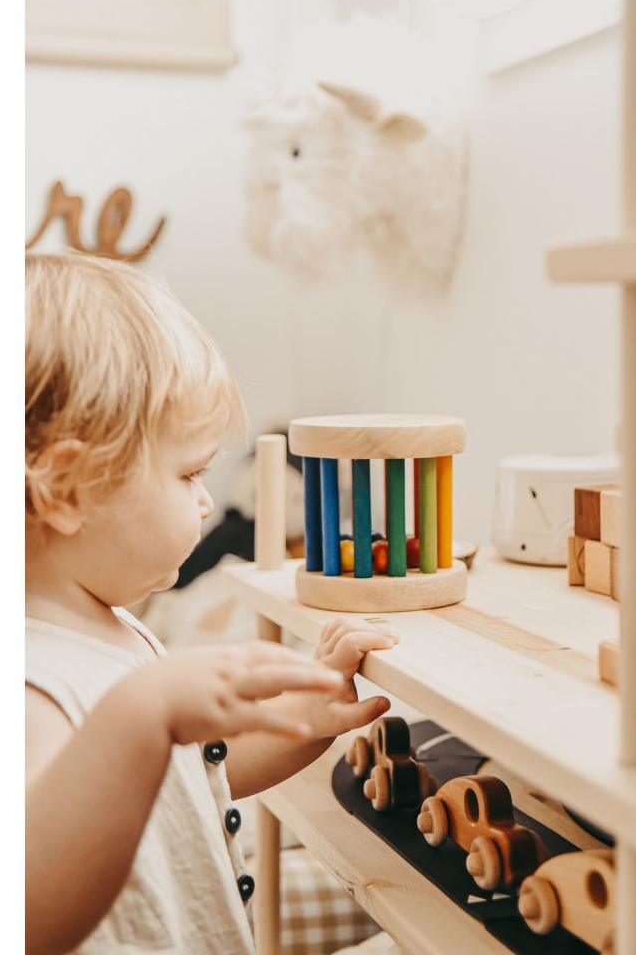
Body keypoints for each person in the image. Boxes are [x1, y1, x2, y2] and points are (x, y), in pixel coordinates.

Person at [25, 253, 397, 954]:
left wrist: (301, 721)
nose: (205, 499)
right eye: (189, 472)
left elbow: (185, 783)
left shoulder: (103, 626)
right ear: (69, 489)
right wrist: (141, 715)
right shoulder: (28, 680)